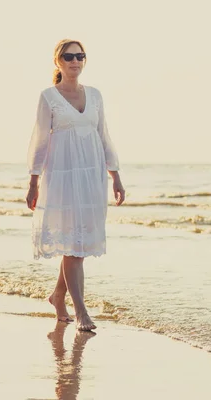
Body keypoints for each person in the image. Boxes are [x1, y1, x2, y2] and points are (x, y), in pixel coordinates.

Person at [26, 39, 125, 331]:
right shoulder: (49, 97)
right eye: (69, 56)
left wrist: (115, 174)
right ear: (58, 61)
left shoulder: (95, 95)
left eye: (80, 56)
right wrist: (33, 181)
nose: (75, 61)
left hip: (91, 174)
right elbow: (40, 140)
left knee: (77, 244)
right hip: (63, 176)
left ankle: (58, 295)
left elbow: (104, 135)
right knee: (74, 247)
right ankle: (81, 311)